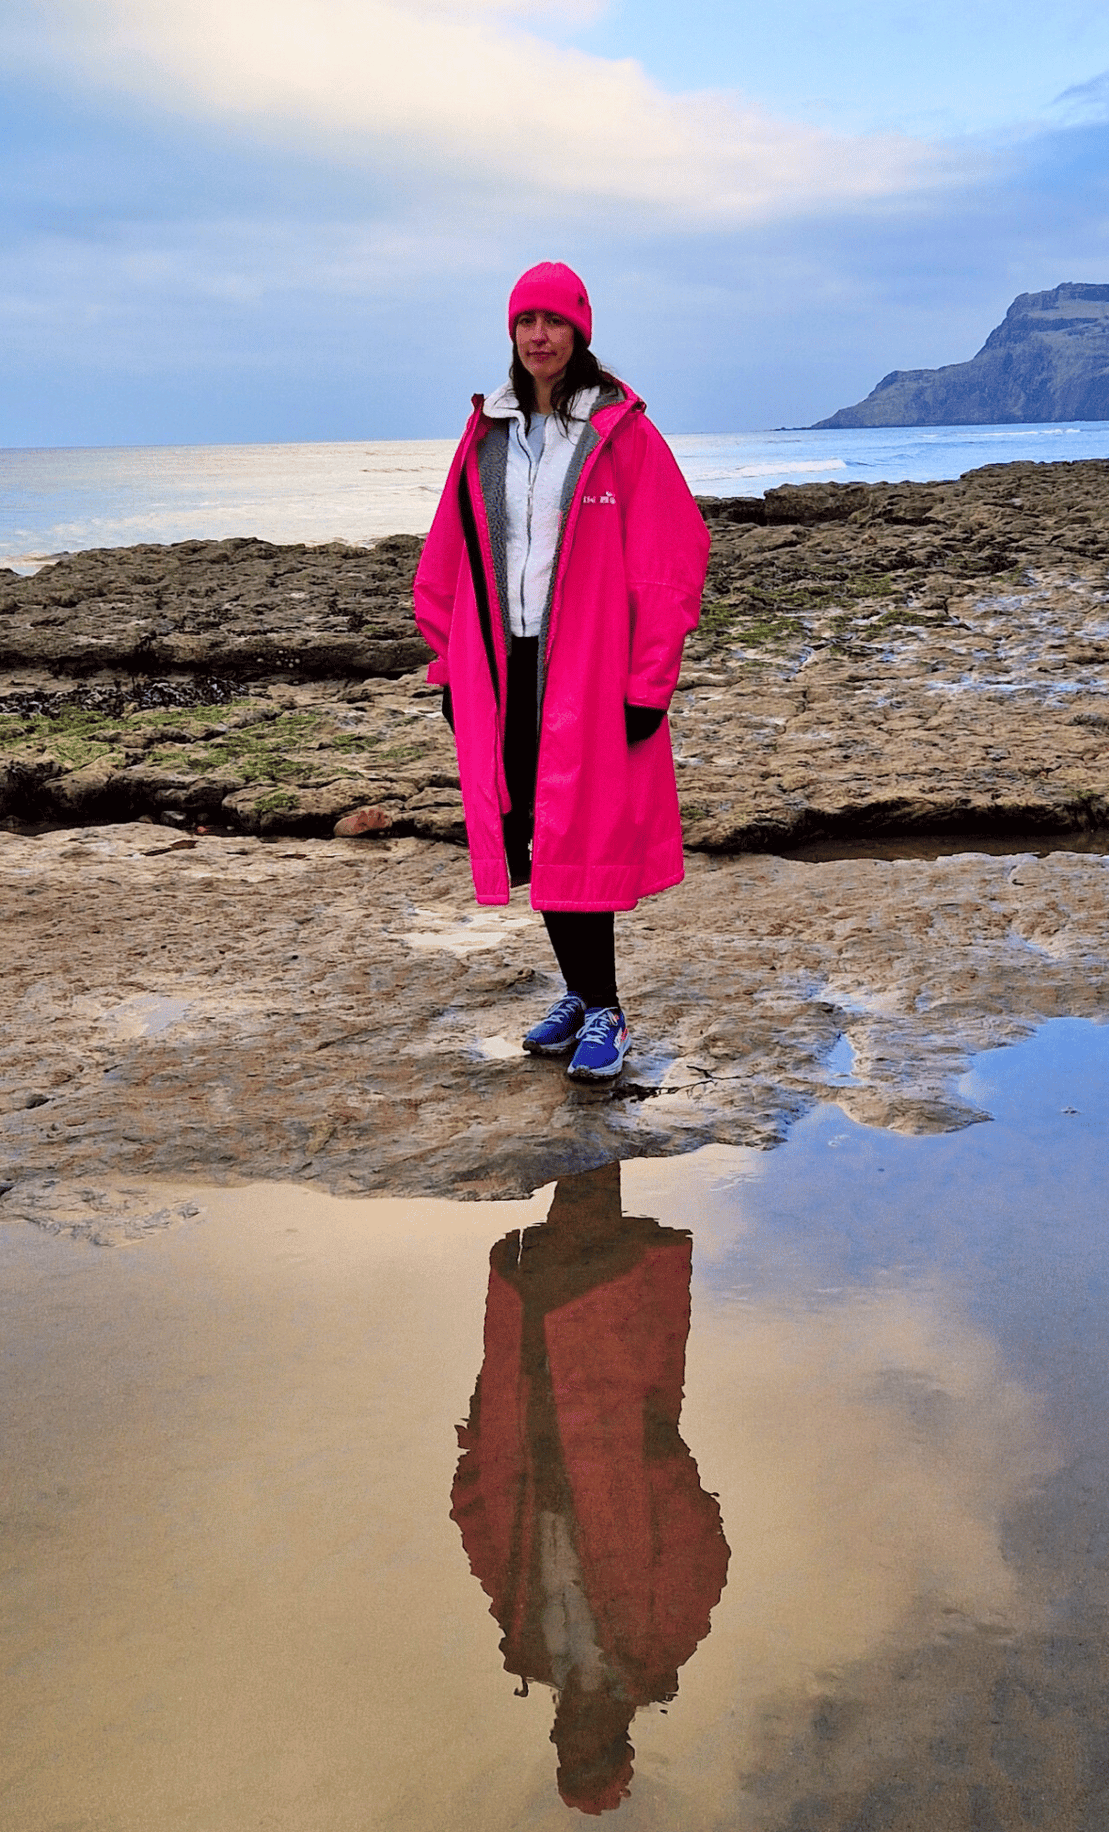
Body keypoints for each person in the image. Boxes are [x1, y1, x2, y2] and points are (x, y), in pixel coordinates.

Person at [413, 262, 710, 1083]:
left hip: (586, 666)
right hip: (504, 667)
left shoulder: (620, 434)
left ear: (579, 330)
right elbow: (447, 557)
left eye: (552, 320)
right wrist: (448, 665)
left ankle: (606, 1007)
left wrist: (648, 682)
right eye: (524, 322)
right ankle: (579, 995)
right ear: (510, 335)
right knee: (536, 833)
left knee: (580, 832)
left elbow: (671, 558)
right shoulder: (489, 436)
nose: (538, 335)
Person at [450, 1161, 730, 1815]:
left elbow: (482, 1529)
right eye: (586, 1749)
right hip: (605, 1422)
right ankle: (592, 1121)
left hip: (533, 1416)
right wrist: (650, 1463)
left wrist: (482, 1432)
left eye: (567, 1750)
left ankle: (584, 1129)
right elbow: (702, 1545)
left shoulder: (526, 1648)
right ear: (613, 1739)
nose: (571, 1735)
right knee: (590, 1268)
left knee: (555, 1269)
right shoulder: (658, 1646)